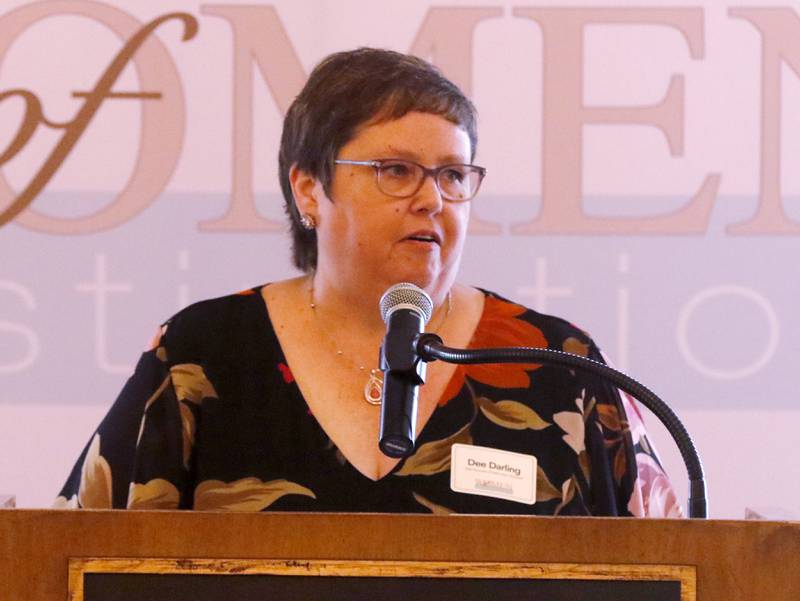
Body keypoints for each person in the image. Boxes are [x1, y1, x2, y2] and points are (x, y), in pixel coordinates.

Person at [56, 48, 680, 517]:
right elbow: (74, 560)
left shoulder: (557, 365)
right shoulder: (205, 352)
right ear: (308, 190)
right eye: (395, 170)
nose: (433, 199)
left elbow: (672, 574)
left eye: (453, 175)